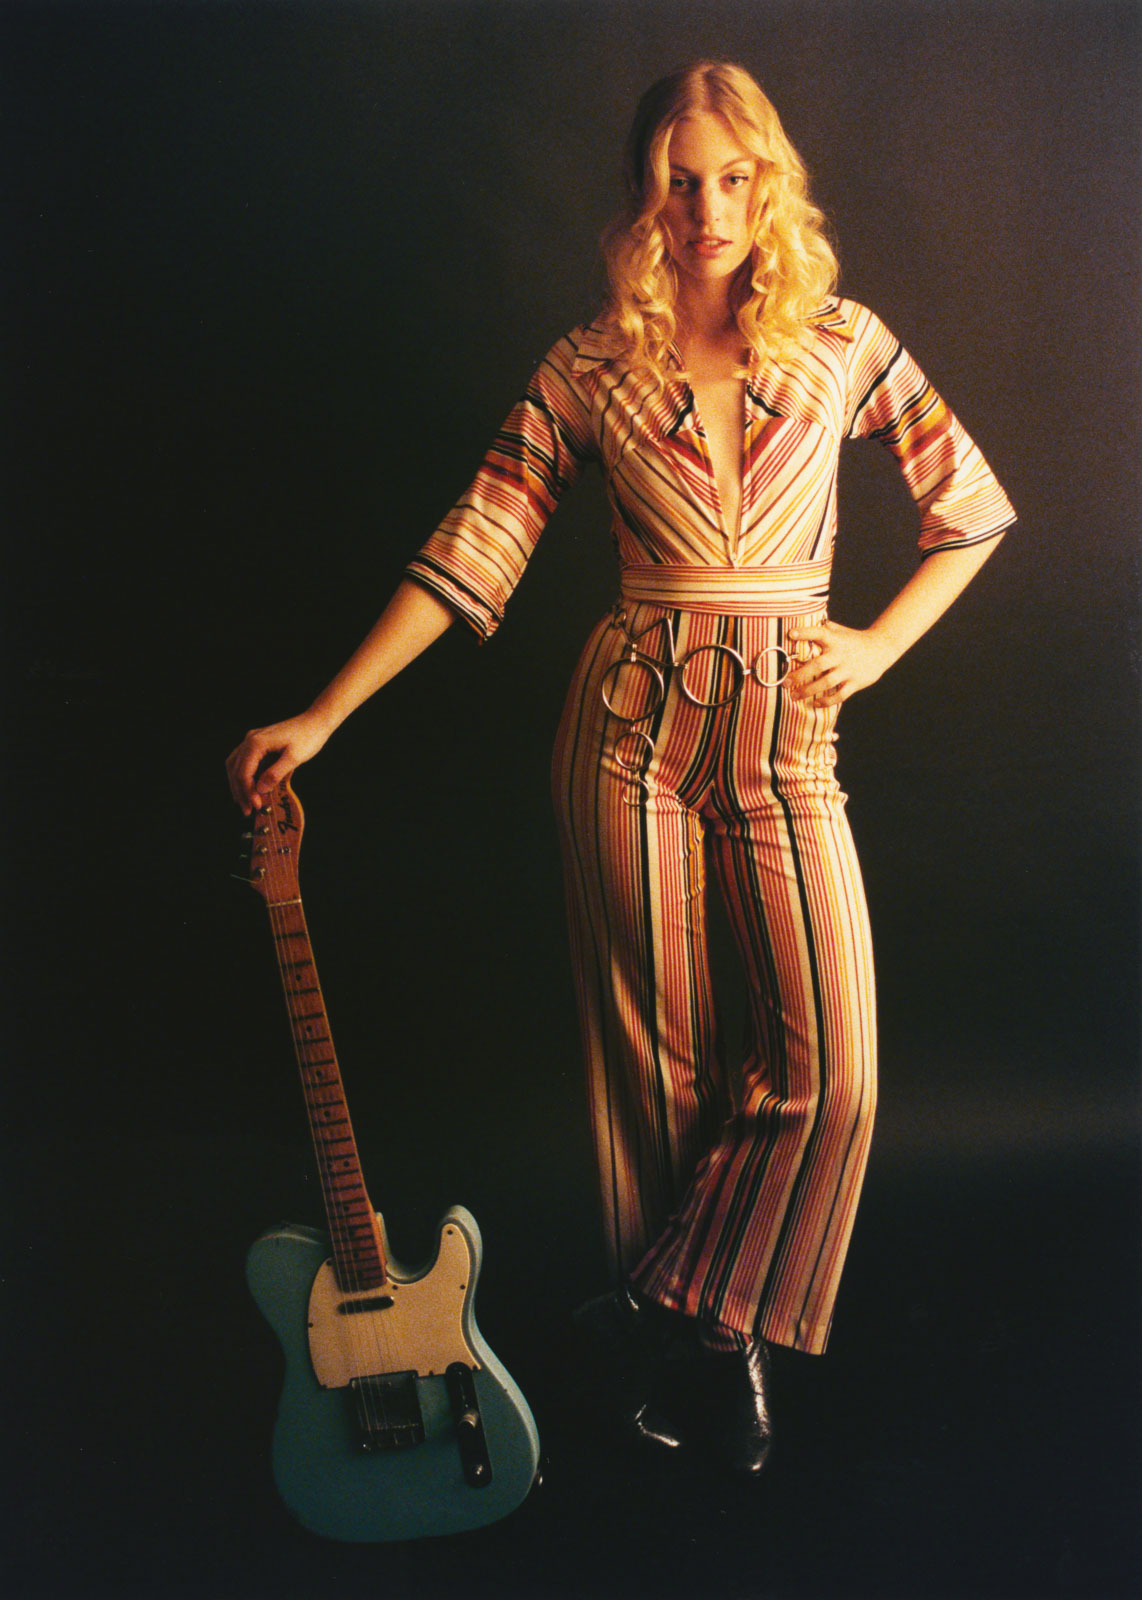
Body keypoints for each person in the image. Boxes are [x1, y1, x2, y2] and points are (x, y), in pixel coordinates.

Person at [227, 61, 1014, 1475]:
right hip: (628, 727)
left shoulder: (843, 342)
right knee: (655, 1064)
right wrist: (328, 713)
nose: (707, 210)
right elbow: (479, 541)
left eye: (733, 180)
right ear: (645, 196)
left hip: (788, 735)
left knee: (833, 1073)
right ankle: (705, 1364)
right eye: (678, 182)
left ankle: (668, 1298)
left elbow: (969, 507)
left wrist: (881, 645)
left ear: (769, 187)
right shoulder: (592, 364)